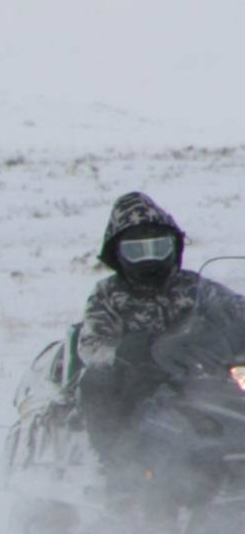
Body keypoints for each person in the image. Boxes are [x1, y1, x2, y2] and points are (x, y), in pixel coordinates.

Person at [75, 191, 245, 460]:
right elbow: (90, 346)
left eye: (159, 248)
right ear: (118, 255)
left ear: (174, 247)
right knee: (97, 382)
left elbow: (237, 309)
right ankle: (116, 466)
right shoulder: (107, 294)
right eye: (136, 251)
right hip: (140, 380)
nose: (149, 260)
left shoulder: (194, 287)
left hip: (198, 371)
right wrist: (128, 351)